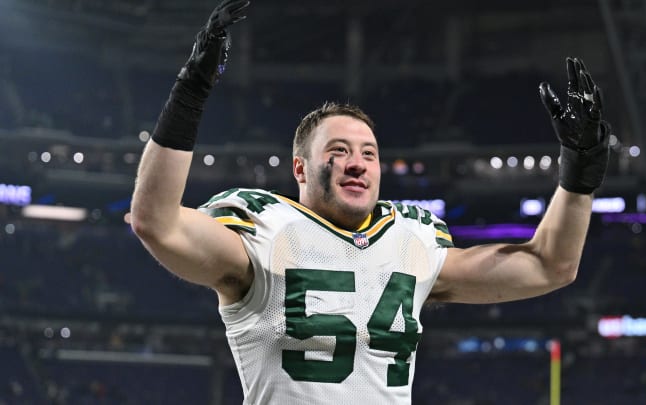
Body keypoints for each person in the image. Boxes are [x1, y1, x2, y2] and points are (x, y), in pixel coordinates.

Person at [128, 1, 611, 403]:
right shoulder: (264, 233)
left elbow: (551, 265)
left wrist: (581, 169)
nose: (357, 163)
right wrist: (190, 93)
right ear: (300, 169)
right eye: (337, 153)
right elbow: (156, 222)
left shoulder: (411, 243)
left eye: (369, 154)